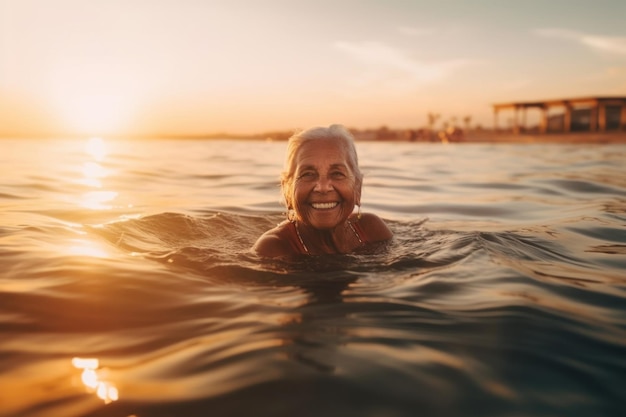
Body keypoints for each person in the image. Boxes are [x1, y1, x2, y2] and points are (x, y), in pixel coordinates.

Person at [253, 124, 393, 258]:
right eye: (308, 174)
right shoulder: (272, 249)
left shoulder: (372, 230)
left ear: (358, 187)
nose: (323, 187)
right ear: (287, 191)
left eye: (337, 173)